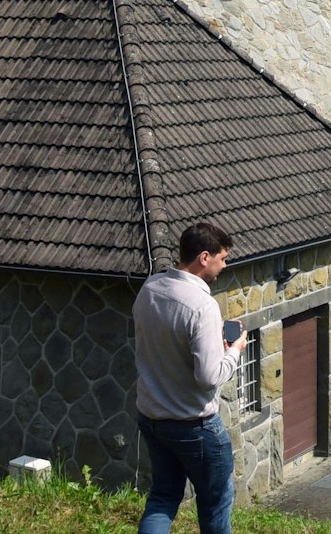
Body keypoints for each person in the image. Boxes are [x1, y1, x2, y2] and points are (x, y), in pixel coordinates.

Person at [134, 221, 248, 534]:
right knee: (216, 503)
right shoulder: (202, 305)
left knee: (163, 496)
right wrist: (235, 350)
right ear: (204, 257)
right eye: (223, 258)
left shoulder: (150, 290)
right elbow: (209, 377)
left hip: (153, 416)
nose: (224, 265)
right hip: (194, 425)